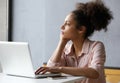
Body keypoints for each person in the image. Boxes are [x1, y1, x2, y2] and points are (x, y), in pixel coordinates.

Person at [35, 0, 113, 83]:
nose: (62, 27)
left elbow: (95, 72)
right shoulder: (66, 49)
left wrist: (61, 69)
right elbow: (51, 68)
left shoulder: (96, 46)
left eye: (67, 24)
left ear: (81, 29)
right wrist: (62, 42)